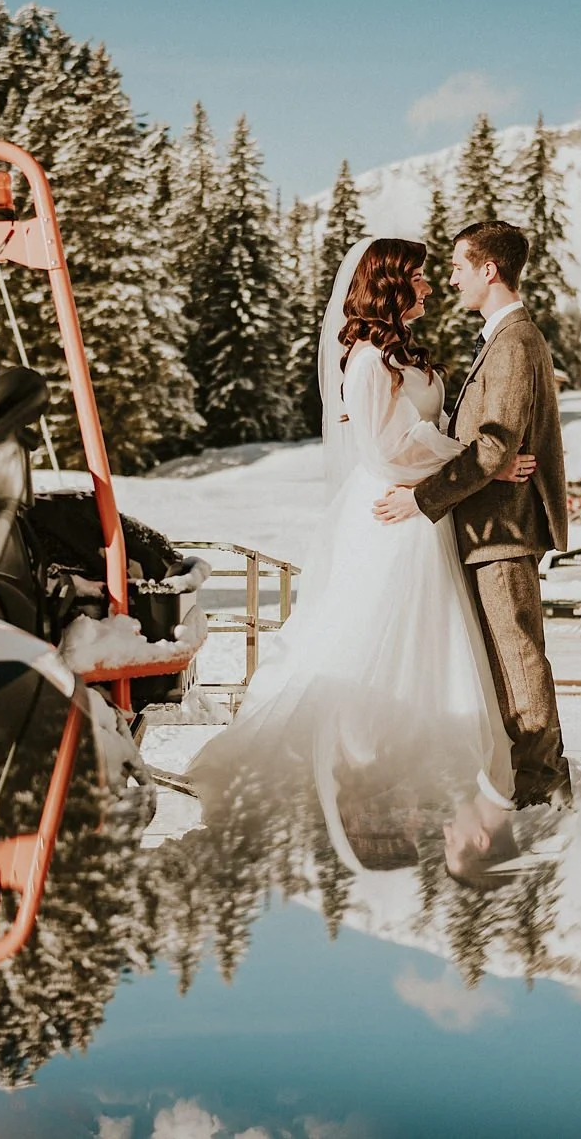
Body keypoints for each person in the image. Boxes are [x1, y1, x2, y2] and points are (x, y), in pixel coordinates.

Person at [185, 237, 533, 877]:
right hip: (388, 513)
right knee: (370, 638)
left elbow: (433, 432)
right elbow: (384, 449)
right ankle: (360, 772)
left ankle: (410, 775)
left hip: (419, 511)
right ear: (392, 283)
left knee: (429, 641)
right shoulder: (369, 359)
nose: (430, 287)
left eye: (435, 276)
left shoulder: (406, 353)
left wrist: (477, 463)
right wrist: (474, 461)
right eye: (421, 278)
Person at [372, 222, 571, 808]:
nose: (449, 277)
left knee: (519, 662)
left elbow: (494, 445)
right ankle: (530, 782)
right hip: (488, 528)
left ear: (490, 270)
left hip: (501, 531)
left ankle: (544, 790)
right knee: (509, 661)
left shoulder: (514, 342)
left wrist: (420, 498)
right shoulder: (500, 338)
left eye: (459, 264)